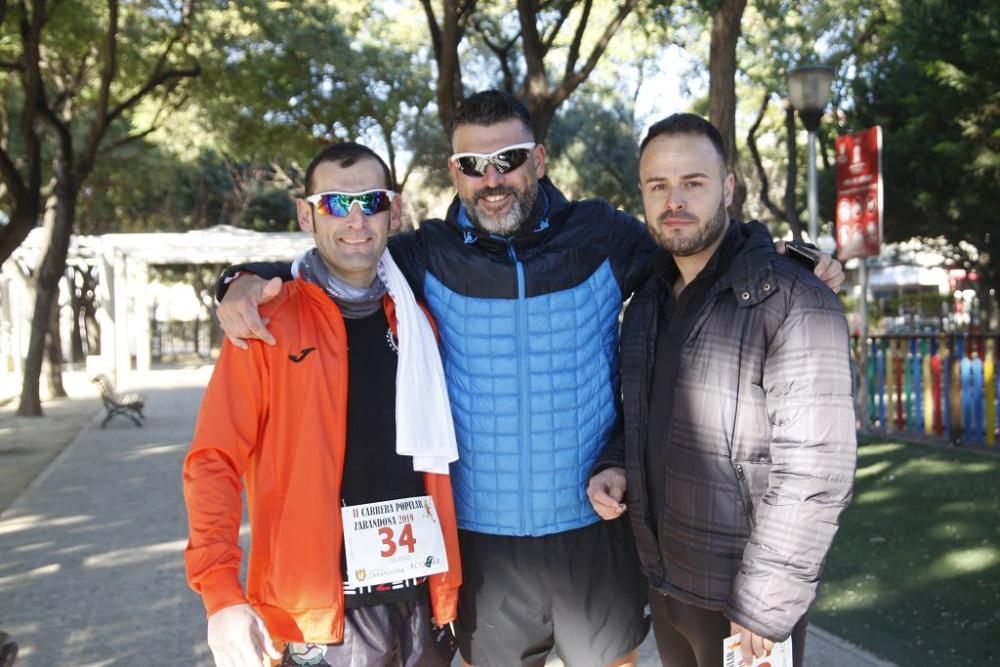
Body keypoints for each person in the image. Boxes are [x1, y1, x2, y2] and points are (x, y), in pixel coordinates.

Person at [215, 91, 844, 667]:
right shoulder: (424, 253)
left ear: (538, 160)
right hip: (481, 542)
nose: (492, 179)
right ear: (453, 171)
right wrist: (239, 280)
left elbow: (699, 245)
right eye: (472, 163)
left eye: (509, 158)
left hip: (591, 535)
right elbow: (339, 257)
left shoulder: (602, 235)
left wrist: (781, 255)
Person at [587, 113, 857, 667]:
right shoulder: (646, 304)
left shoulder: (792, 298)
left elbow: (815, 471)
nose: (674, 200)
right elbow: (641, 417)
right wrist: (616, 463)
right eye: (658, 186)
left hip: (743, 602)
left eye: (694, 182)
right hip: (665, 587)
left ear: (728, 187)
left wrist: (764, 604)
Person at [183, 142, 462, 667]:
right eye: (335, 203)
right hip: (321, 617)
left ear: (393, 211)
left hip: (424, 600)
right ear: (305, 214)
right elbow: (213, 461)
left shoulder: (419, 317)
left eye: (370, 201)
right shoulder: (265, 322)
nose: (355, 220)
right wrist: (220, 593)